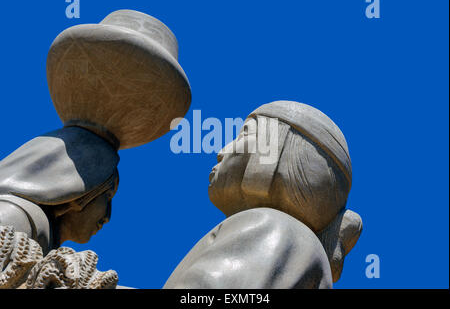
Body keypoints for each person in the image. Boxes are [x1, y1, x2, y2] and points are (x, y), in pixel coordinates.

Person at [165, 101, 362, 288]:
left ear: (276, 151)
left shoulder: (273, 225)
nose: (221, 151)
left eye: (244, 135)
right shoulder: (298, 240)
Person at [0, 126, 119, 255]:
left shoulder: (43, 234)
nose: (107, 216)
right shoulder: (15, 216)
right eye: (107, 196)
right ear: (84, 191)